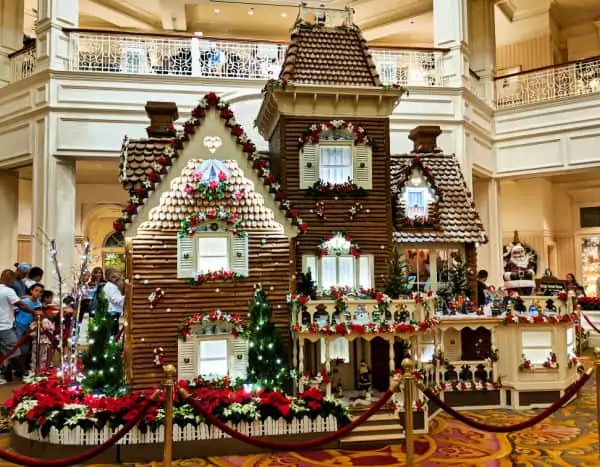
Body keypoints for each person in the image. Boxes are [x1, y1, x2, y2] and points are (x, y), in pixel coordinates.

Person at [0, 269, 37, 384]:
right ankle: (24, 374)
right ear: (10, 279)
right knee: (15, 351)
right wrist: (34, 312)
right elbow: (20, 305)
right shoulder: (8, 290)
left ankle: (4, 375)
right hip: (4, 326)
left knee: (2, 353)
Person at [14, 283, 44, 373]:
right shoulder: (25, 301)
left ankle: (21, 369)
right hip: (19, 325)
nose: (38, 293)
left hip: (29, 328)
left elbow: (38, 316)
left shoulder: (39, 304)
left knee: (25, 350)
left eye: (40, 292)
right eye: (36, 290)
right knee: (15, 348)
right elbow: (15, 311)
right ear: (31, 291)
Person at [103, 268, 124, 334]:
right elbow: (115, 299)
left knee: (114, 330)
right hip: (112, 312)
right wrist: (126, 297)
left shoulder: (111, 286)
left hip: (112, 312)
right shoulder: (110, 286)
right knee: (113, 331)